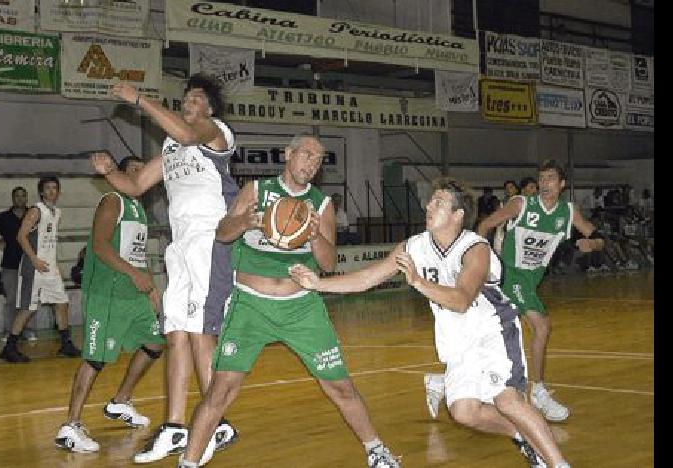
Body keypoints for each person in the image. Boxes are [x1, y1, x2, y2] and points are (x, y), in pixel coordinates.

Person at [289, 177, 571, 468]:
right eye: (430, 200)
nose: (428, 206)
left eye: (438, 202)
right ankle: (523, 436)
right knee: (464, 411)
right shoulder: (415, 246)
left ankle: (558, 464)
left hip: (492, 330)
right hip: (457, 340)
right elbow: (367, 278)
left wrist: (418, 282)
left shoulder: (476, 248)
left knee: (507, 400)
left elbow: (462, 300)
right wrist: (318, 284)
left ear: (458, 214)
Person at [178, 133, 400, 468]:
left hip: (301, 308)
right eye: (306, 155)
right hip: (251, 306)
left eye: (318, 159)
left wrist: (313, 235)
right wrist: (246, 221)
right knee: (221, 391)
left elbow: (327, 264)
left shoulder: (321, 204)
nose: (311, 164)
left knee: (340, 386)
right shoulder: (256, 190)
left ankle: (376, 451)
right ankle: (189, 463)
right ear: (288, 154)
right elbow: (223, 234)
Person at [89, 74, 239, 463]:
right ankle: (174, 427)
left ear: (209, 109)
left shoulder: (214, 132)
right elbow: (137, 185)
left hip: (210, 239)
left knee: (202, 334)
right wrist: (109, 171)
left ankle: (216, 422)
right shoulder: (173, 145)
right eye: (186, 97)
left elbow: (189, 136)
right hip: (181, 245)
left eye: (196, 98)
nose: (189, 102)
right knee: (175, 332)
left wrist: (138, 98)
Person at [456, 160, 606, 422]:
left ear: (561, 184)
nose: (545, 183)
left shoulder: (569, 212)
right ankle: (538, 390)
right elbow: (484, 225)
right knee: (542, 327)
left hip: (532, 280)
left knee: (497, 342)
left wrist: (591, 244)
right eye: (542, 178)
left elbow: (600, 237)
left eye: (551, 179)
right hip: (509, 275)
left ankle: (446, 382)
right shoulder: (521, 205)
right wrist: (479, 260)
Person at [54, 156, 168, 453]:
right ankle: (70, 426)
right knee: (96, 358)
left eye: (143, 171)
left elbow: (137, 254)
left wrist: (150, 287)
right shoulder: (113, 200)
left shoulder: (138, 209)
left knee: (156, 342)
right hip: (108, 293)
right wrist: (134, 275)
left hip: (134, 296)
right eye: (133, 170)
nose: (140, 174)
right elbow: (100, 245)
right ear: (118, 174)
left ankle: (120, 401)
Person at [0, 176, 83, 363]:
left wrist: (55, 265)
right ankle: (9, 348)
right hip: (33, 267)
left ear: (59, 192)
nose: (52, 191)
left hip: (49, 267)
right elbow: (21, 236)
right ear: (42, 192)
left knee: (62, 302)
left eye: (55, 188)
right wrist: (34, 259)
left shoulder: (57, 212)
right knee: (28, 308)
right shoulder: (37, 211)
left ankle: (66, 344)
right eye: (48, 188)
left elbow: (49, 243)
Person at [0, 186, 37, 341]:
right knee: (11, 299)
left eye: (23, 196)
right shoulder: (4, 217)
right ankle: (9, 331)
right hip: (10, 264)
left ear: (26, 198)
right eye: (17, 196)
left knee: (28, 299)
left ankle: (28, 329)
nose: (20, 198)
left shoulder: (33, 215)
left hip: (29, 264)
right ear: (13, 198)